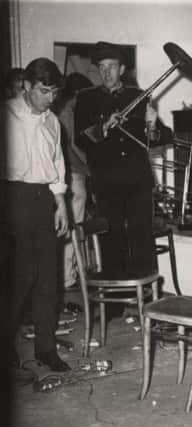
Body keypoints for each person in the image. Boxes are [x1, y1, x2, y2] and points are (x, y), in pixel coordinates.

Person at [75, 42, 171, 281]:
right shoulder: (86, 98)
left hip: (138, 180)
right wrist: (103, 128)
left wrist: (151, 123)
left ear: (122, 69)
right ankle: (114, 303)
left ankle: (147, 299)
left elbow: (159, 137)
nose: (106, 72)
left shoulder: (137, 96)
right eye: (102, 67)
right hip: (106, 182)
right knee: (111, 238)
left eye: (112, 66)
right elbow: (80, 141)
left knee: (142, 239)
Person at [1, 58, 70, 372]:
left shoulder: (53, 121)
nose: (50, 99)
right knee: (18, 277)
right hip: (11, 197)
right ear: (27, 86)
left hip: (44, 199)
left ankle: (46, 348)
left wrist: (62, 204)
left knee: (47, 280)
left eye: (54, 91)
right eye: (44, 91)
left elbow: (57, 167)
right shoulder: (6, 114)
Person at [53, 72, 93, 290]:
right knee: (72, 226)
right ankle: (68, 276)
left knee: (70, 226)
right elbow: (72, 149)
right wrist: (90, 168)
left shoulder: (62, 110)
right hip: (73, 176)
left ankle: (69, 274)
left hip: (71, 176)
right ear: (78, 93)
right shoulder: (68, 111)